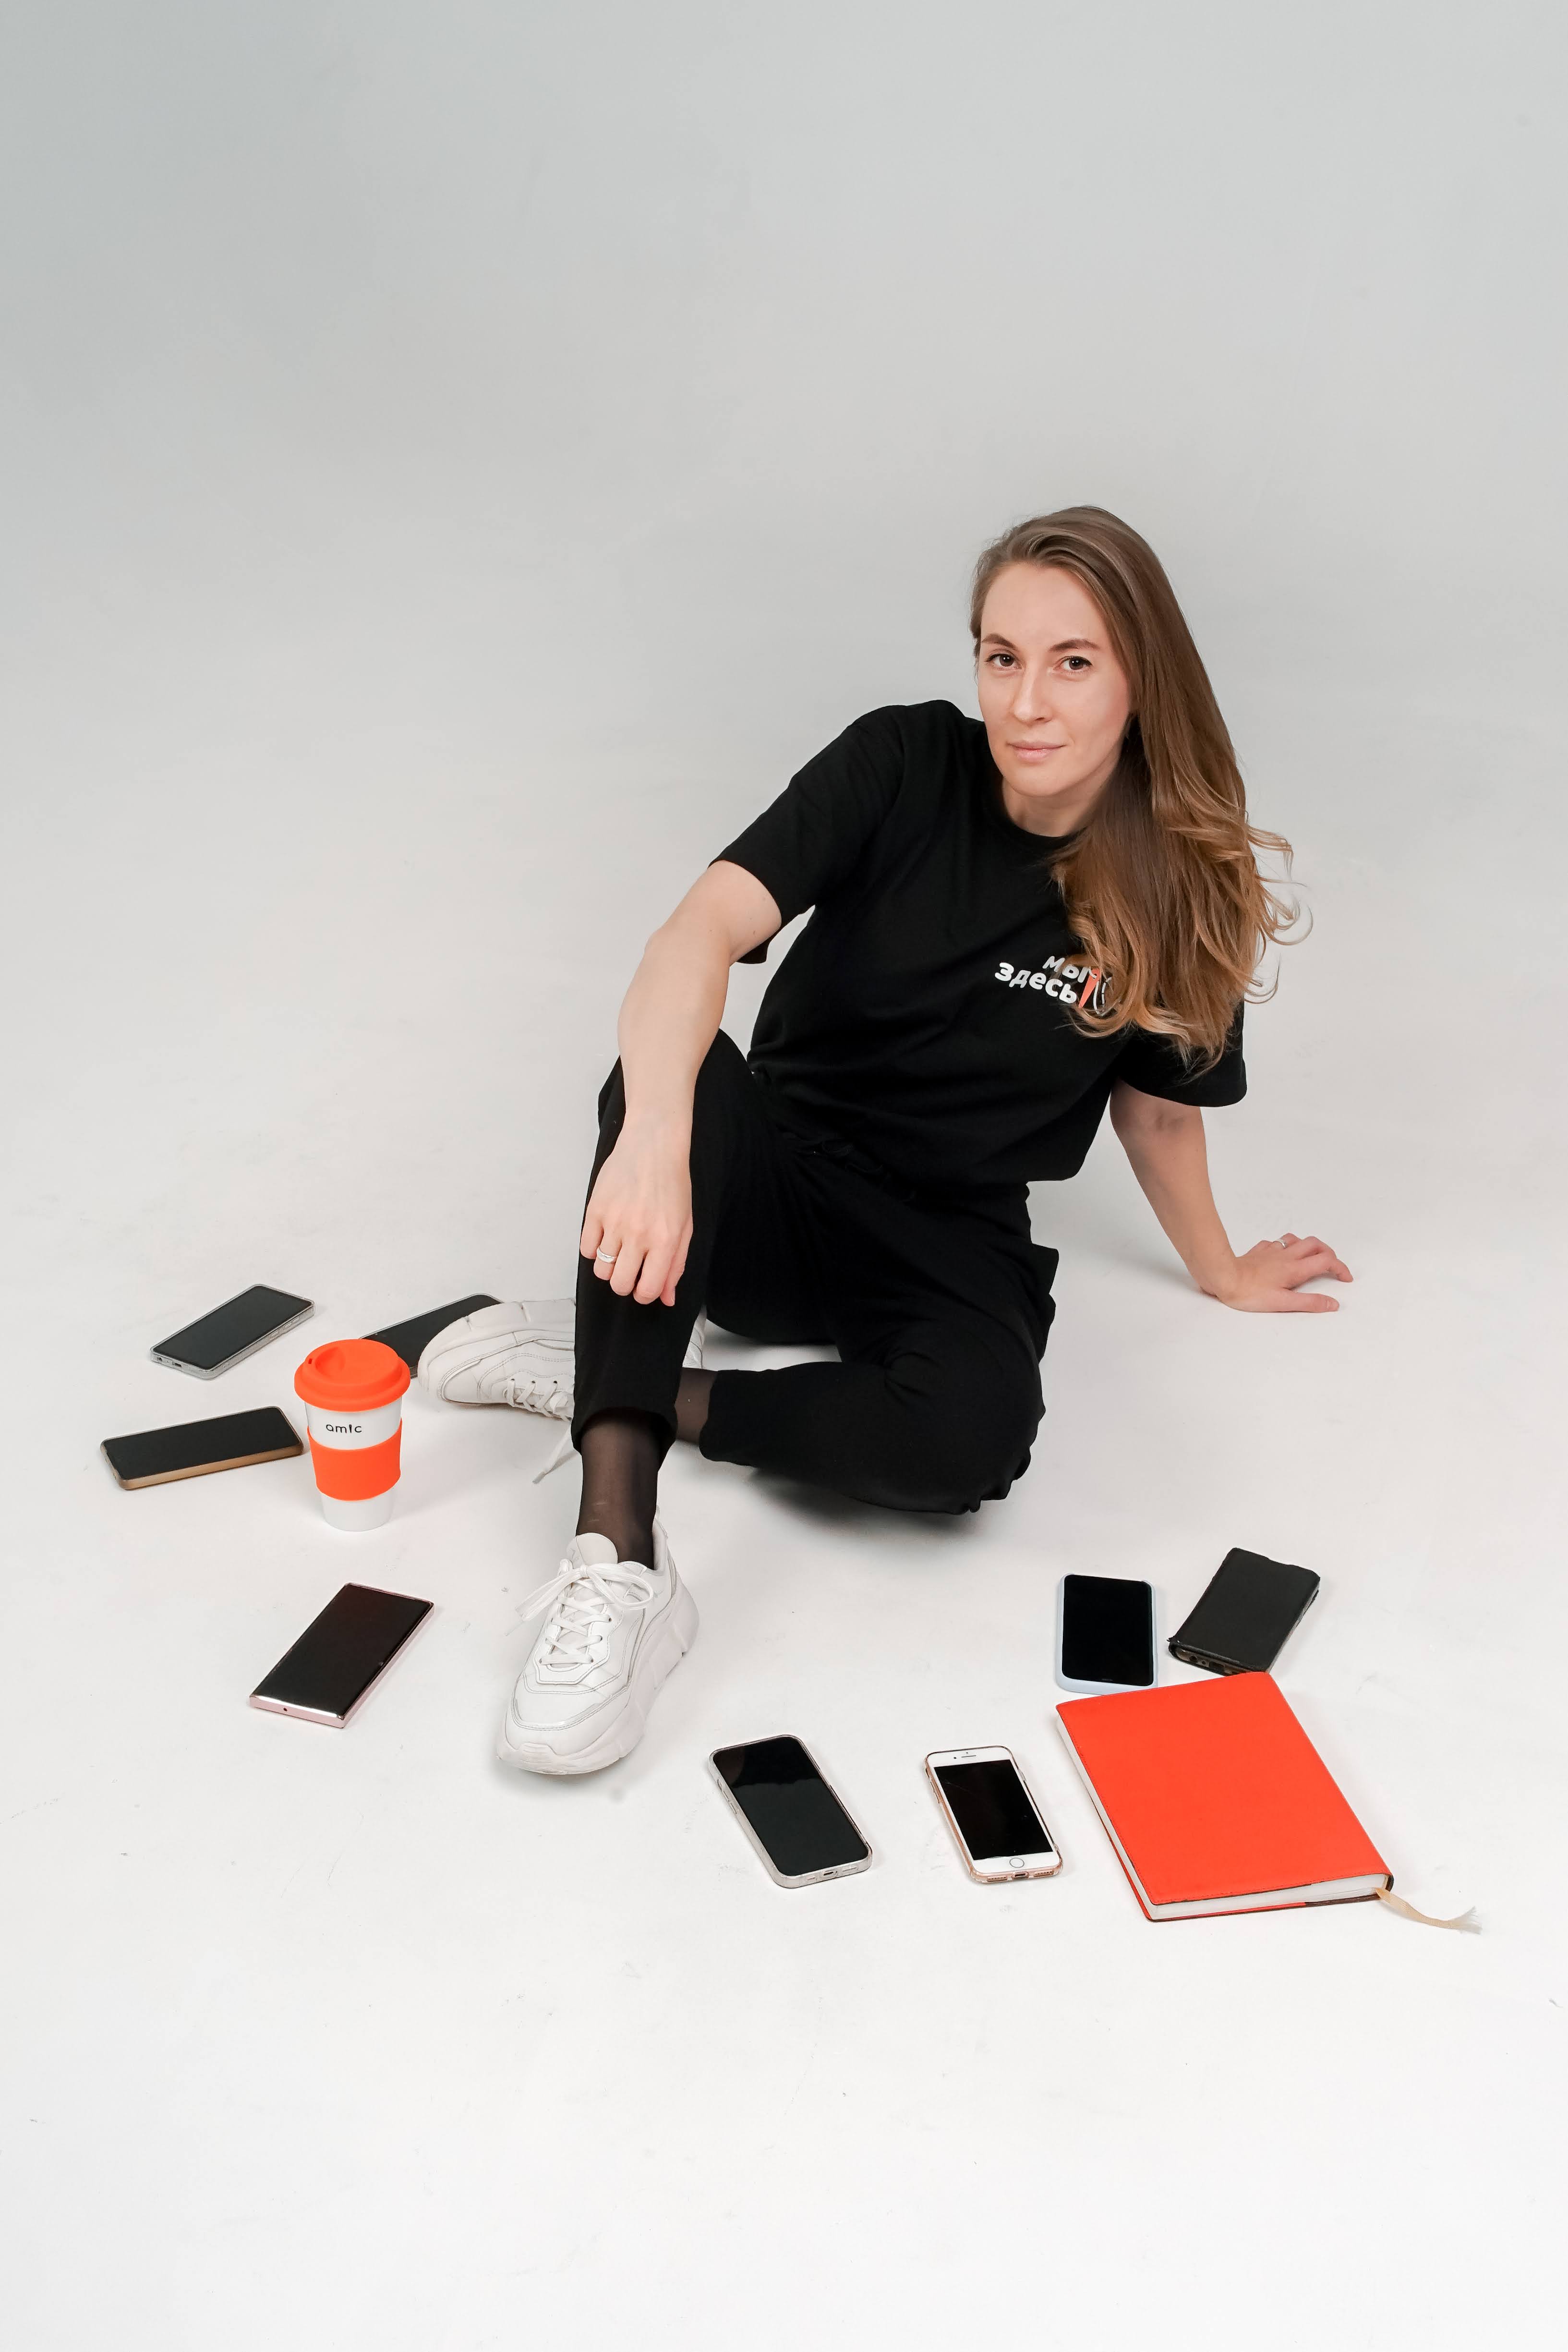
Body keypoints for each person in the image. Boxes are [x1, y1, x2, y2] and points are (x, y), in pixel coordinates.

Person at [419, 506, 1351, 1775]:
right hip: (769, 1187)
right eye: (1000, 656)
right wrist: (653, 1142)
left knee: (971, 1439)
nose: (1025, 701)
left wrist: (1223, 1268)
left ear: (1142, 680)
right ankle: (619, 1554)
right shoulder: (902, 762)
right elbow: (696, 935)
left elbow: (1158, 1108)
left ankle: (617, 1376)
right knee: (671, 1066)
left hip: (948, 1231)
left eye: (1072, 662)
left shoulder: (1185, 887)